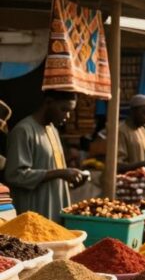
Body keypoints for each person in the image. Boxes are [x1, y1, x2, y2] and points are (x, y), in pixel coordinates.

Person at [5, 91, 87, 220]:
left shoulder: (52, 129)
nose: (67, 116)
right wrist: (60, 173)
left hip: (56, 212)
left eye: (70, 111)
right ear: (49, 102)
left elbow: (54, 170)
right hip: (34, 216)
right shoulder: (23, 131)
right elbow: (14, 175)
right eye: (64, 109)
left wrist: (71, 179)